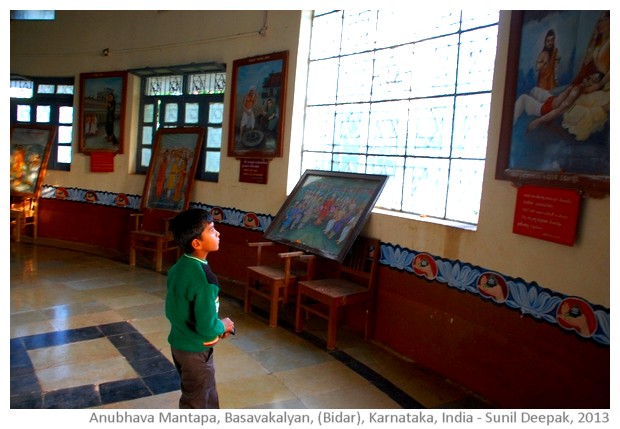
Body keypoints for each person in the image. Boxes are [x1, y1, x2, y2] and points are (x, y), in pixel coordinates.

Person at [165, 208, 235, 409]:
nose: (218, 233)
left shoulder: (179, 267)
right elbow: (206, 327)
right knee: (197, 401)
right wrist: (222, 325)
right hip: (195, 351)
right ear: (197, 243)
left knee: (203, 393)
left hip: (179, 345)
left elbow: (177, 308)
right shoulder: (205, 280)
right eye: (212, 231)